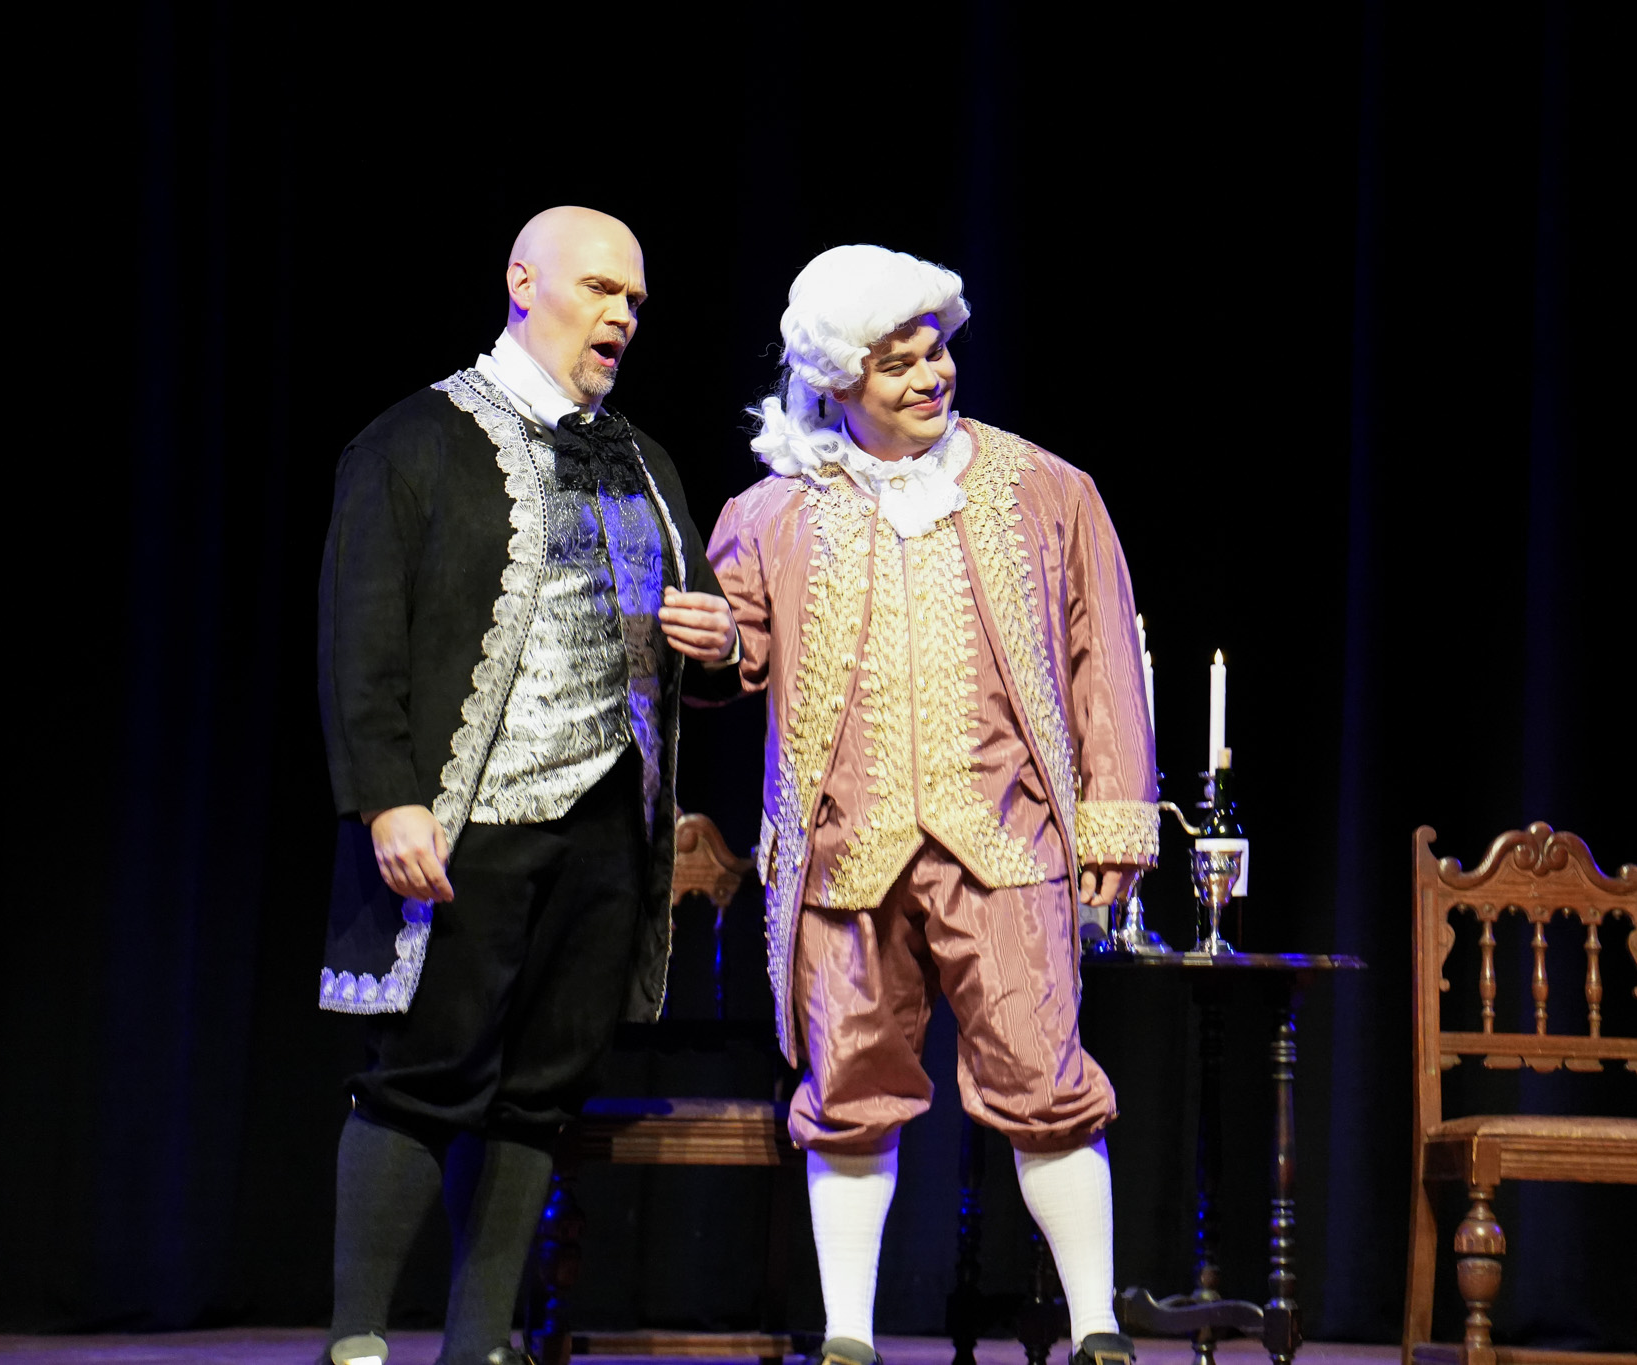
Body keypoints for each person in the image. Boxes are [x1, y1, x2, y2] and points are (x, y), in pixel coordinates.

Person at [702, 245, 1157, 1365]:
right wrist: (709, 639)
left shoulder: (1045, 490)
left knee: (1045, 1076)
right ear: (837, 380)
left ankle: (1096, 1325)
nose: (929, 375)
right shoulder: (771, 513)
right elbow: (733, 658)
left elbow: (1104, 659)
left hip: (1005, 837)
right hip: (844, 850)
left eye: (936, 349)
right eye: (896, 362)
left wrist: (1114, 818)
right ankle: (848, 1336)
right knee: (848, 1081)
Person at [314, 206, 739, 1365]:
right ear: (521, 282)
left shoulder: (641, 459)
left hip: (608, 827)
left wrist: (715, 645)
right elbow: (360, 639)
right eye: (599, 289)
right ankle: (356, 1339)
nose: (621, 316)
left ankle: (477, 1346)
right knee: (424, 1071)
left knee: (539, 1090)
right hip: (470, 818)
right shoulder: (413, 440)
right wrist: (388, 797)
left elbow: (697, 642)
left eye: (635, 301)